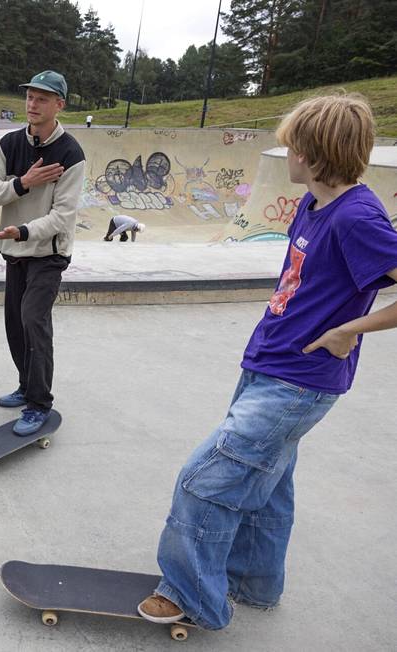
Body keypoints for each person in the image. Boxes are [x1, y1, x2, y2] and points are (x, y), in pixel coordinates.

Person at [136, 94, 397, 631]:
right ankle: (254, 583)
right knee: (269, 484)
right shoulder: (314, 203)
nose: (285, 154)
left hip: (298, 382)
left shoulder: (358, 216)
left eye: (293, 146)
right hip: (268, 365)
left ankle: (192, 595)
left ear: (316, 153)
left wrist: (349, 330)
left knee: (204, 479)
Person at [0, 70, 85, 435]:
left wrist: (24, 230)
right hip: (15, 250)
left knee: (33, 319)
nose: (32, 104)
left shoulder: (70, 152)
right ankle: (25, 385)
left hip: (48, 253)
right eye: (29, 97)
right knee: (14, 323)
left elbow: (63, 217)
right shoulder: (9, 144)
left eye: (42, 98)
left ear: (60, 104)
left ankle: (39, 403)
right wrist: (23, 183)